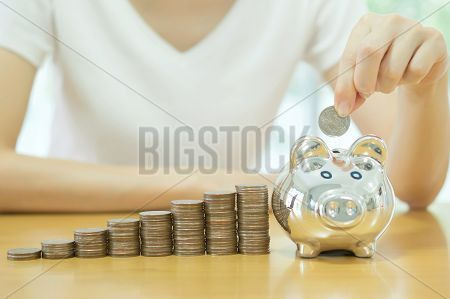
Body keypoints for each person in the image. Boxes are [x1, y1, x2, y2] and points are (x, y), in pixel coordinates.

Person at [0, 0, 448, 212]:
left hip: (234, 255)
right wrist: (198, 184)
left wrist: (422, 89)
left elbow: (410, 185)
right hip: (78, 247)